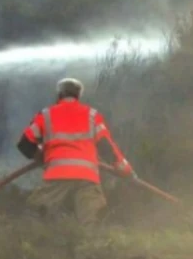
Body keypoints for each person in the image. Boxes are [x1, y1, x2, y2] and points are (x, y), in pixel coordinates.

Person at [17, 77, 136, 227]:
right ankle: (95, 248)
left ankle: (32, 246)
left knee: (35, 216)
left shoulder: (45, 115)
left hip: (57, 175)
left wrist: (41, 157)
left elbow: (25, 144)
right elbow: (105, 145)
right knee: (94, 222)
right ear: (78, 96)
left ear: (59, 95)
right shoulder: (92, 115)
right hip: (87, 177)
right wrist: (124, 167)